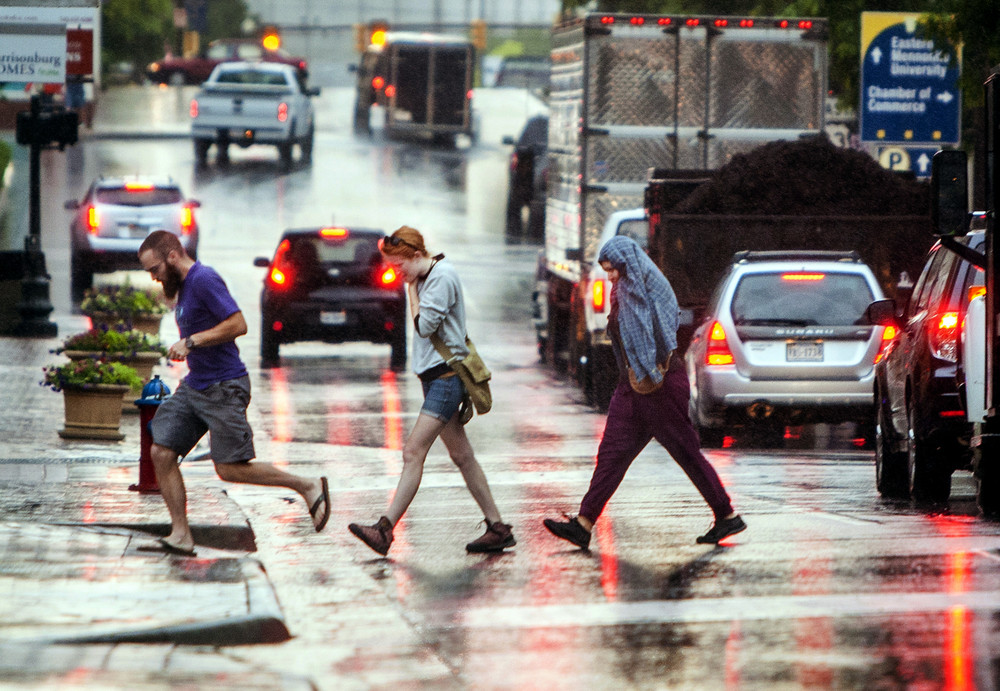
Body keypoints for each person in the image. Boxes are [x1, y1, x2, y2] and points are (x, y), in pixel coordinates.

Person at [543, 236, 745, 549]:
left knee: (686, 452)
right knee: (611, 455)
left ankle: (726, 514)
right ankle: (583, 524)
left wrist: (649, 373)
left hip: (659, 385)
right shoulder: (629, 288)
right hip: (633, 387)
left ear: (627, 264)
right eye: (607, 271)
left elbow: (655, 337)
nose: (610, 277)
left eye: (613, 270)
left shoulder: (645, 289)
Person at [137, 230, 330, 556]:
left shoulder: (204, 279)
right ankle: (181, 534)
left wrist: (192, 341)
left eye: (154, 268)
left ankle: (307, 485)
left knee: (230, 468)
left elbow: (239, 324)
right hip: (196, 385)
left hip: (224, 387)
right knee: (161, 452)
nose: (153, 277)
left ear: (172, 256)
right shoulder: (184, 287)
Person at [348, 226, 515, 555]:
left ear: (415, 255)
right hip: (434, 378)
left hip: (446, 379)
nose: (397, 273)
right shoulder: (424, 277)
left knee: (413, 453)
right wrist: (411, 283)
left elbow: (424, 327)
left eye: (399, 266)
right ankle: (498, 528)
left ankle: (385, 529)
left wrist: (411, 290)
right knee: (462, 456)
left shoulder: (441, 278)